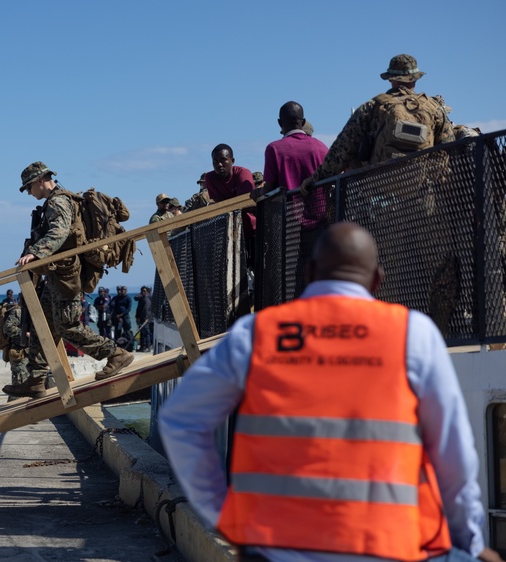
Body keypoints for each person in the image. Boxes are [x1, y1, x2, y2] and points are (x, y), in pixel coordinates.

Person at [158, 222, 503, 562]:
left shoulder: (257, 335)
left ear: (309, 272)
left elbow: (180, 419)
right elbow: (454, 458)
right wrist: (470, 542)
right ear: (377, 280)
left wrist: (222, 514)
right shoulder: (412, 334)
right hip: (393, 547)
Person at [3, 161, 133, 397]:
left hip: (67, 276)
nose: (29, 193)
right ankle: (35, 378)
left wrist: (36, 253)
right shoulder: (55, 202)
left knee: (67, 325)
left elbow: (59, 232)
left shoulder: (58, 202)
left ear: (41, 180)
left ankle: (115, 354)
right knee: (42, 324)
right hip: (57, 275)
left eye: (29, 187)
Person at [302, 54, 455, 192]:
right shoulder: (435, 109)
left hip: (379, 194)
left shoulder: (373, 107)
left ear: (390, 78)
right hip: (422, 194)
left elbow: (342, 150)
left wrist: (316, 179)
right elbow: (451, 150)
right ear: (415, 78)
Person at [264, 101, 331, 292]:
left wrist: (257, 193)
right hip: (321, 219)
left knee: (289, 276)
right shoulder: (320, 147)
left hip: (289, 223)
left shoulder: (275, 149)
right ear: (303, 122)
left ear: (280, 123)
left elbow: (269, 187)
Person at [134, 286, 152, 352]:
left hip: (145, 319)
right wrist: (137, 316)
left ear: (147, 292)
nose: (143, 292)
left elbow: (146, 310)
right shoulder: (141, 298)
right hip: (141, 318)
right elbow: (138, 308)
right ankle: (143, 347)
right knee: (142, 333)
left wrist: (145, 319)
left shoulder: (146, 299)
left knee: (146, 333)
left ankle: (148, 346)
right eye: (142, 291)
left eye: (144, 291)